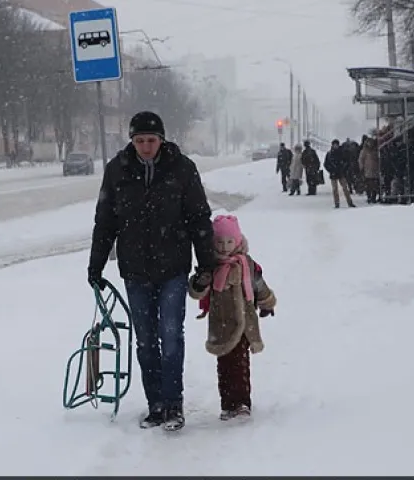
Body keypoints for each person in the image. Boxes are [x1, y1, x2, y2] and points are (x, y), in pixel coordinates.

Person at [87, 111, 216, 432]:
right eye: (140, 140)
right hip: (135, 270)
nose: (146, 146)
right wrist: (96, 264)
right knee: (145, 340)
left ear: (162, 140)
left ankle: (174, 403)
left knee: (171, 336)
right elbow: (105, 221)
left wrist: (206, 266)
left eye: (151, 140)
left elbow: (199, 219)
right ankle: (155, 404)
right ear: (132, 141)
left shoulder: (182, 169)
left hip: (173, 266)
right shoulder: (117, 170)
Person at [188, 215, 277, 421]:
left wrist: (266, 303)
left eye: (229, 242)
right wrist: (200, 282)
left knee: (241, 363)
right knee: (225, 364)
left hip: (245, 321)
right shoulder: (210, 264)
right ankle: (228, 404)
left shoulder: (247, 263)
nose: (225, 246)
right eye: (220, 242)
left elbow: (259, 285)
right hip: (221, 323)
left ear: (237, 241)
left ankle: (242, 402)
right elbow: (197, 291)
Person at [324, 139, 356, 208]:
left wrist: (344, 169)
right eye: (334, 144)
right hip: (333, 174)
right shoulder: (329, 154)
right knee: (335, 189)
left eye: (336, 144)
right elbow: (326, 164)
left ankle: (350, 202)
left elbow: (347, 162)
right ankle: (337, 203)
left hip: (341, 173)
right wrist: (330, 170)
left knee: (345, 188)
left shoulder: (342, 153)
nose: (335, 146)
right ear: (332, 145)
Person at [358, 135, 381, 203]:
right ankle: (369, 197)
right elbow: (360, 160)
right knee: (368, 185)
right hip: (367, 170)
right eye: (369, 142)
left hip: (375, 170)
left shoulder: (376, 150)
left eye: (371, 143)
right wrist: (361, 168)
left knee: (375, 185)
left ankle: (373, 198)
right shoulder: (364, 151)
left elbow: (378, 159)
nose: (370, 144)